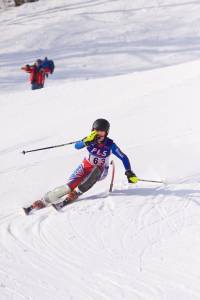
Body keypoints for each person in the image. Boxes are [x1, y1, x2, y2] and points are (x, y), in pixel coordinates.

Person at [25, 119, 138, 214]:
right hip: (86, 165)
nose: (98, 133)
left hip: (101, 170)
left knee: (96, 170)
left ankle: (75, 193)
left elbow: (123, 157)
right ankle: (44, 200)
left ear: (106, 132)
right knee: (69, 186)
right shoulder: (89, 139)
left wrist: (129, 171)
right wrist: (85, 142)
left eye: (101, 131)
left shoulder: (110, 144)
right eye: (95, 130)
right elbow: (76, 146)